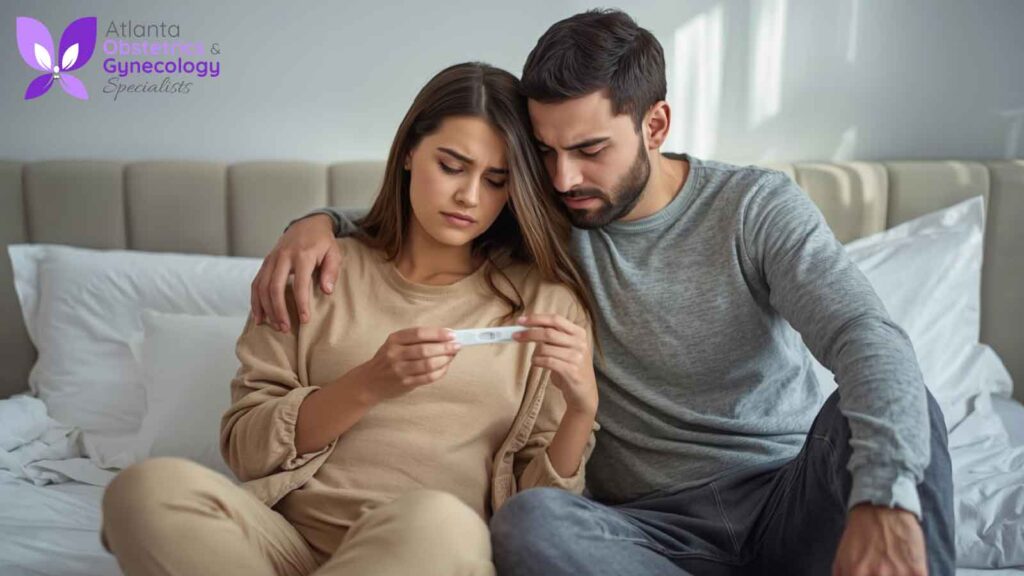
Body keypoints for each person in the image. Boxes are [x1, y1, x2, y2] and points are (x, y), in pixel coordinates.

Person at [251, 10, 955, 576]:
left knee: (902, 404)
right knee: (530, 523)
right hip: (642, 531)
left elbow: (866, 336)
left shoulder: (754, 208)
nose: (561, 179)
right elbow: (437, 209)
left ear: (655, 125)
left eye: (589, 150)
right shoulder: (545, 215)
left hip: (783, 494)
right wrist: (317, 223)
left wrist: (885, 500)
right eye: (545, 152)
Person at [100, 62, 599, 576]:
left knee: (439, 520)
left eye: (496, 181)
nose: (470, 197)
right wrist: (366, 384)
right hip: (277, 547)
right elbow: (246, 452)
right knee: (144, 490)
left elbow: (537, 511)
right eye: (451, 166)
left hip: (424, 550)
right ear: (409, 152)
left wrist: (582, 409)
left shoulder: (544, 303)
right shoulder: (314, 269)